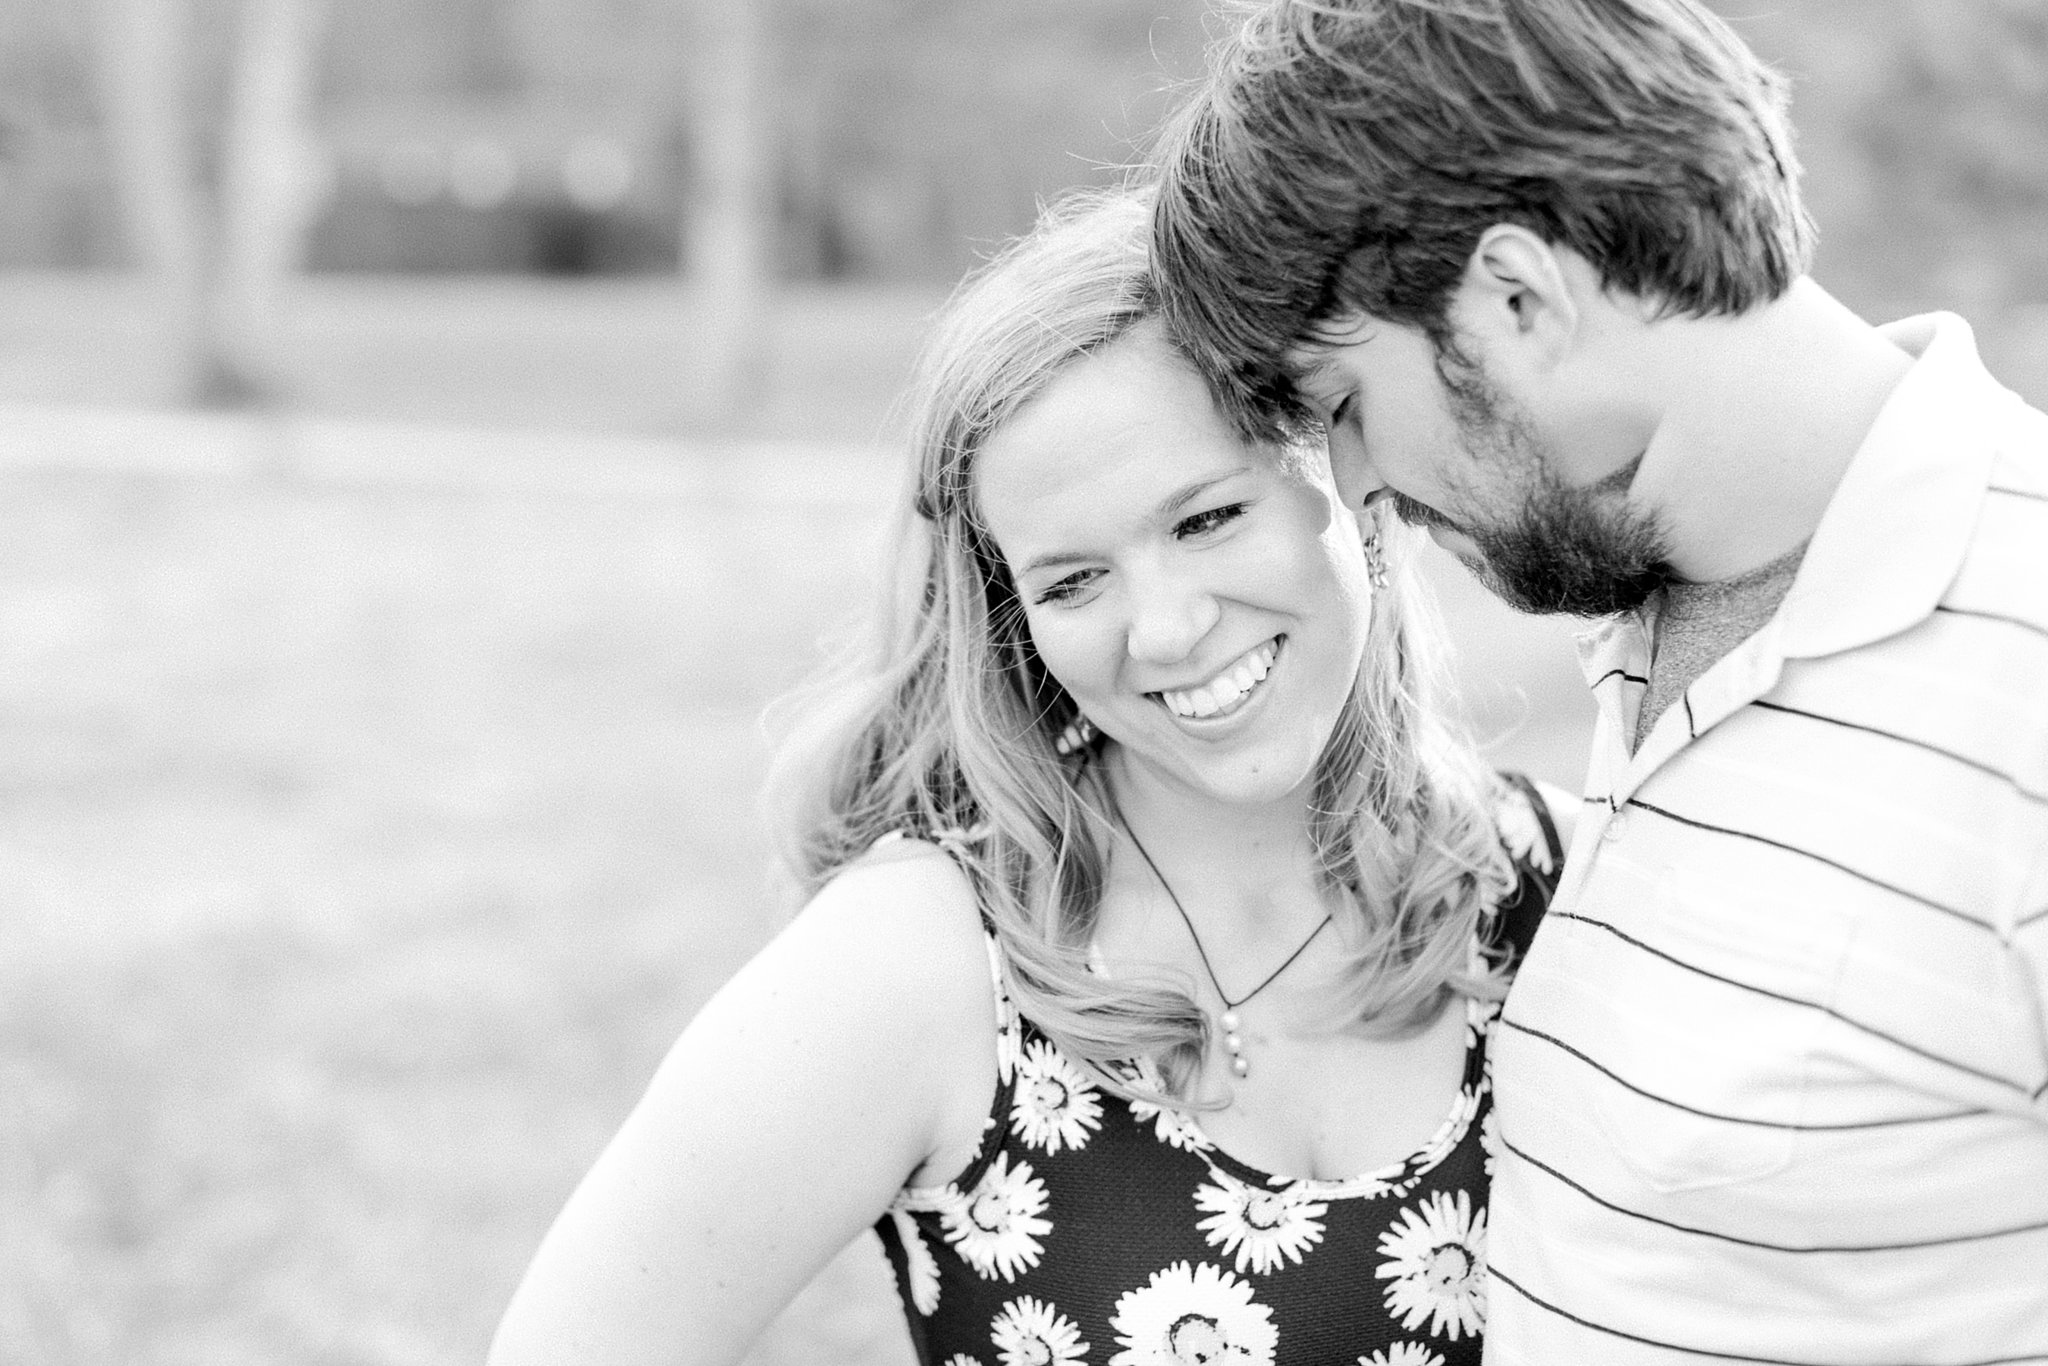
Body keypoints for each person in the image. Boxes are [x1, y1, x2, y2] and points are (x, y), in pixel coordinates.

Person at [487, 189, 1568, 1366]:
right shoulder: (925, 963)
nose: (1162, 628)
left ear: (1345, 470)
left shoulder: (1568, 888)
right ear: (1013, 622)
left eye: (1206, 517)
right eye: (1070, 581)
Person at [1148, 1, 2048, 1360]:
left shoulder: (2020, 667)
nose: (1351, 493)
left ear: (1520, 297)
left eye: (1339, 410)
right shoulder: (1662, 619)